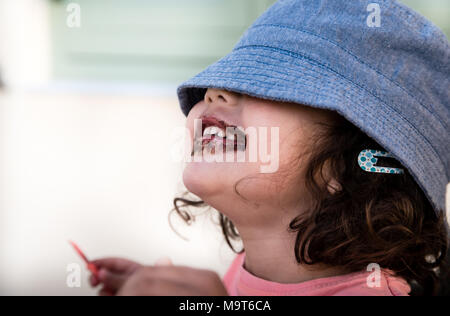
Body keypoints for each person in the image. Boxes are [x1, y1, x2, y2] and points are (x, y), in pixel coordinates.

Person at [90, 0, 449, 296]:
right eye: (225, 78)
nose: (215, 91)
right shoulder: (249, 271)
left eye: (263, 84)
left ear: (345, 164)